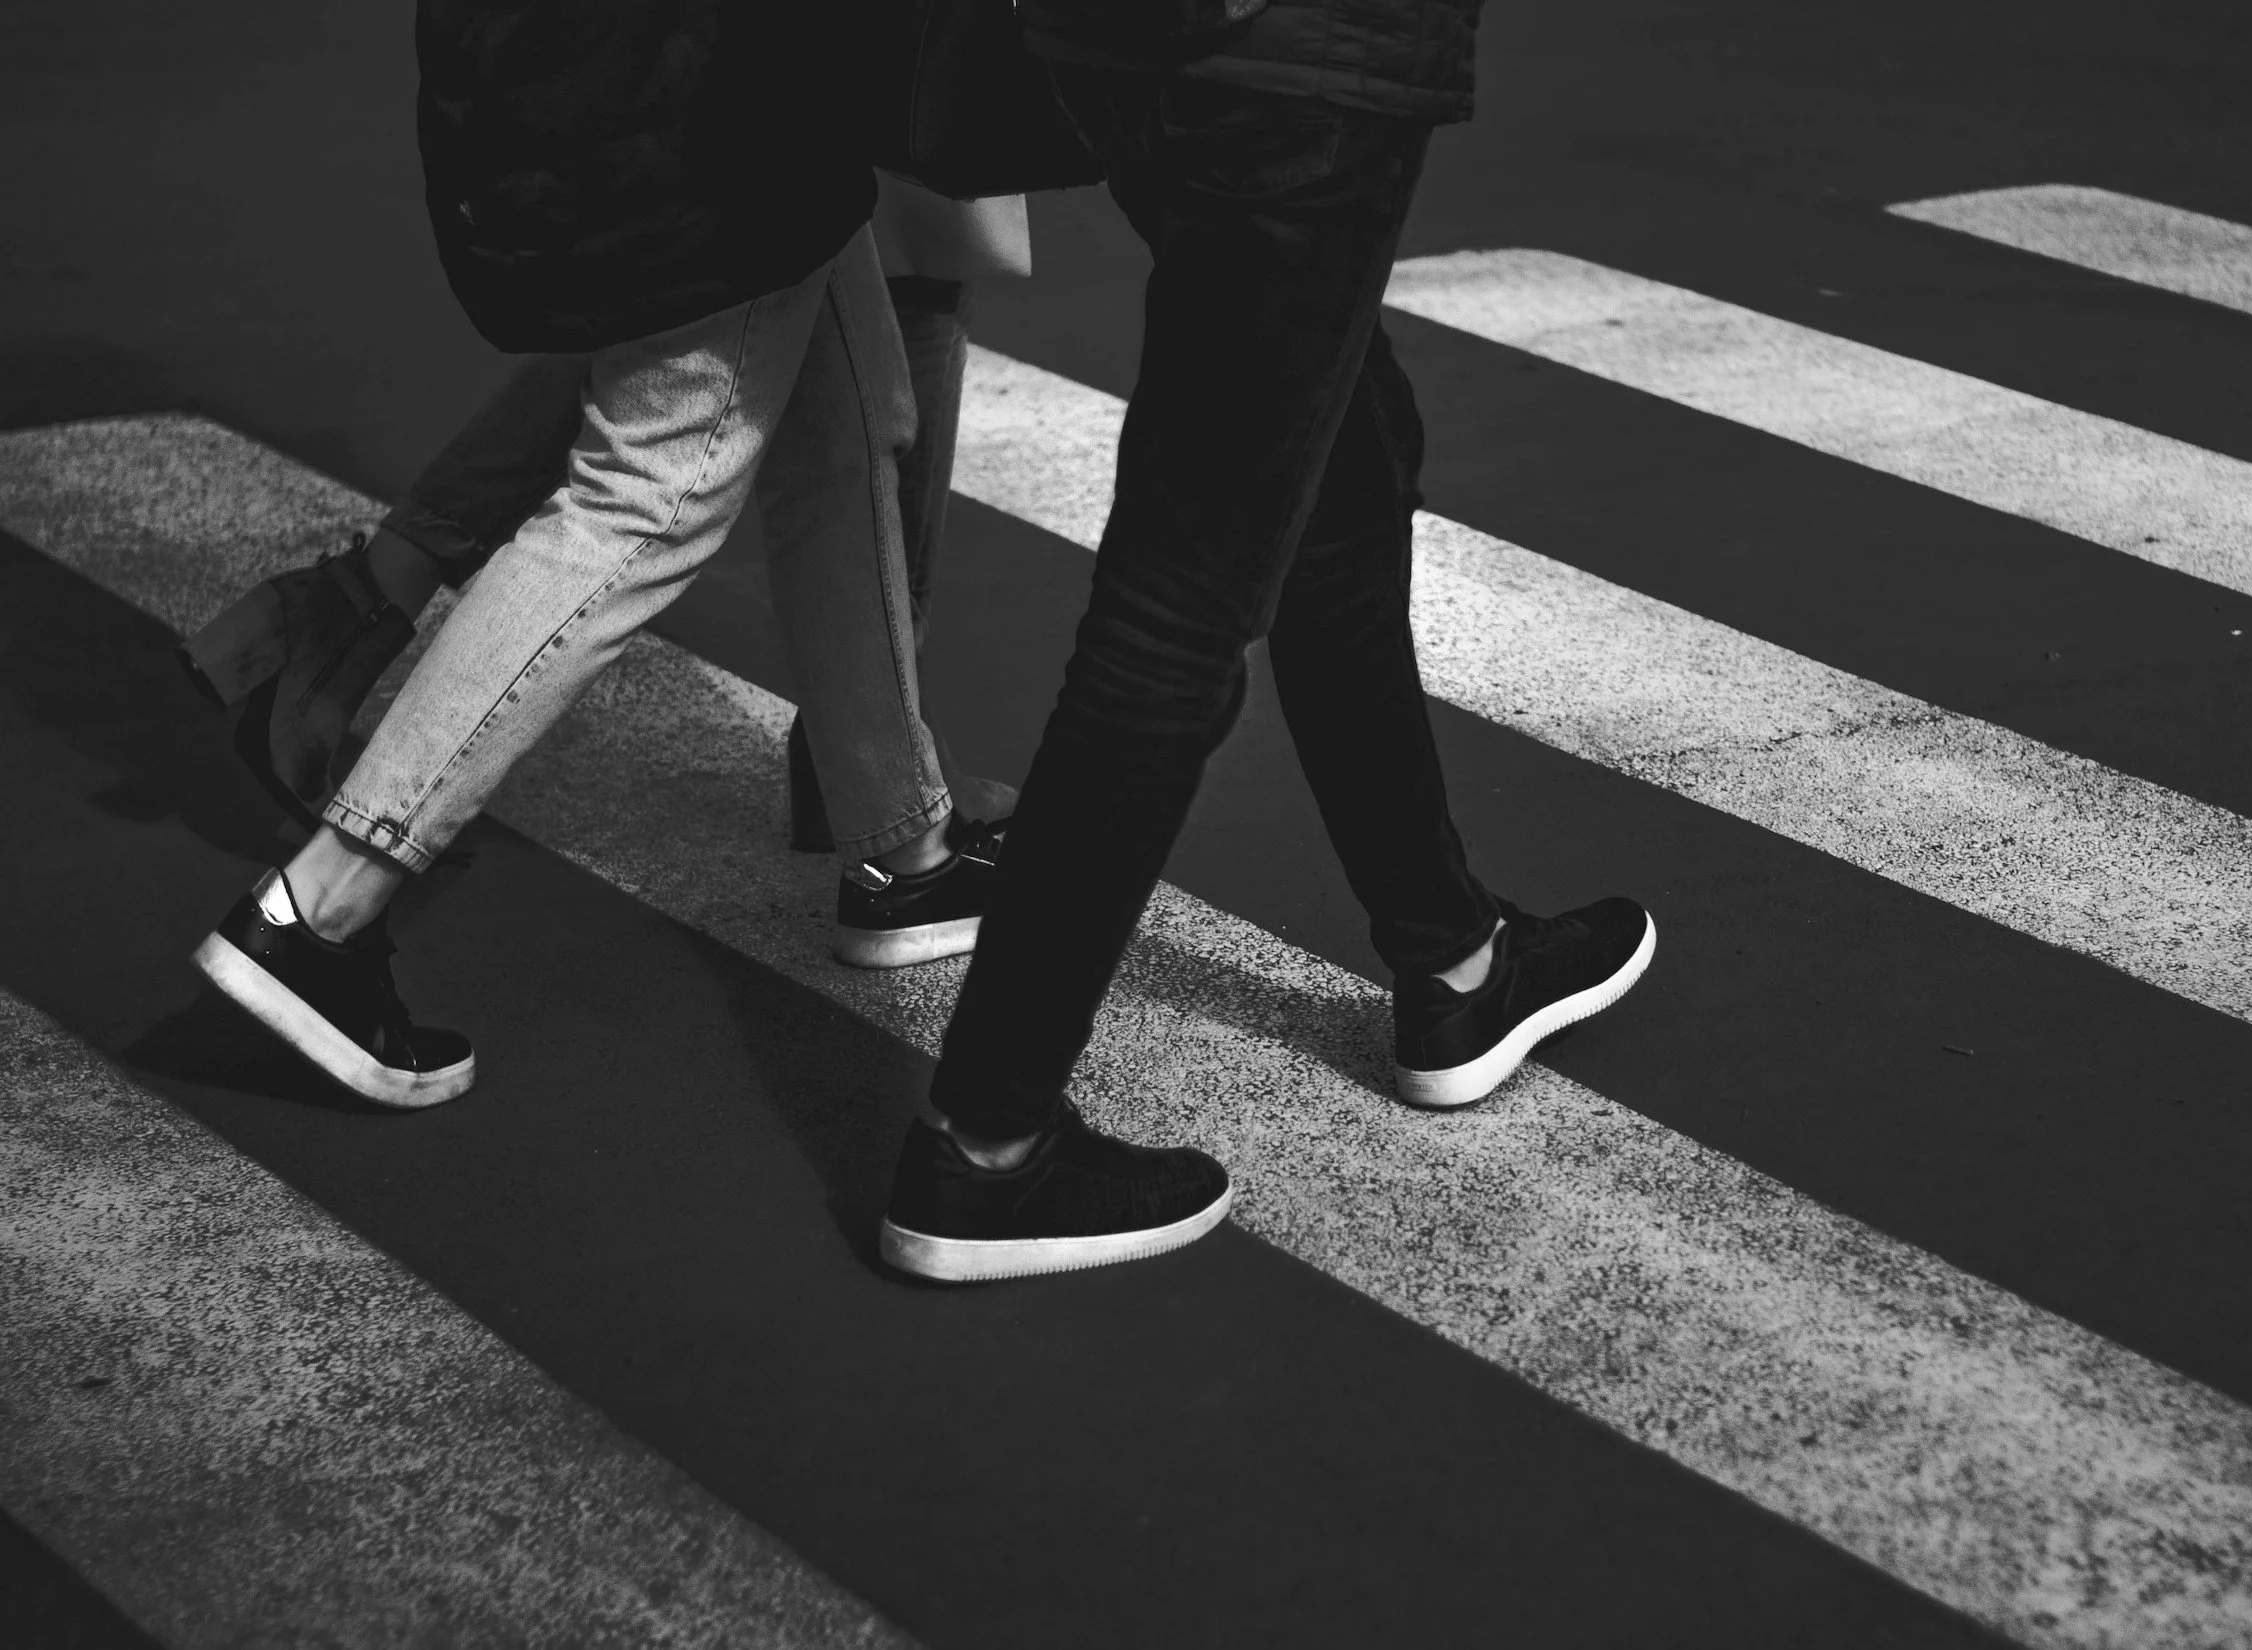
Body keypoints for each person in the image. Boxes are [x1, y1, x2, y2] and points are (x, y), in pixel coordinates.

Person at [875, 0, 1657, 1283]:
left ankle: (1453, 955)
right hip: (1293, 62)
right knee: (1178, 600)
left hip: (1132, 44)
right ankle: (985, 1141)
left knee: (1341, 443)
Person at [189, 1, 986, 1104]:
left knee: (845, 426)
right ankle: (321, 905)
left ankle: (905, 849)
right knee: (647, 500)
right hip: (708, 106)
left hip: (631, 85)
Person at [178, 175, 1034, 963]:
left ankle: (898, 833)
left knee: (832, 399)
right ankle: (322, 901)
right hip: (760, 103)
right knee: (662, 467)